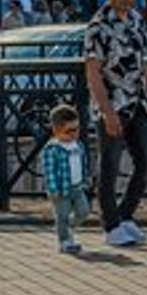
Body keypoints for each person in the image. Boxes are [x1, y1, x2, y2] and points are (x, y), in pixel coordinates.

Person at [83, 0, 147, 247]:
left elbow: (143, 62)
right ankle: (111, 225)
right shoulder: (98, 26)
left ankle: (126, 216)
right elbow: (93, 73)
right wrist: (107, 111)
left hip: (137, 101)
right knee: (110, 164)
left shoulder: (136, 20)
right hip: (112, 103)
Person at [41, 104, 91, 255]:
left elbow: (83, 163)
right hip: (61, 190)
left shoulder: (78, 145)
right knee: (62, 215)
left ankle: (68, 227)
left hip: (77, 187)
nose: (74, 134)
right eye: (69, 131)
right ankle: (65, 241)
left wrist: (86, 179)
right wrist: (53, 190)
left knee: (84, 212)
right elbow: (49, 171)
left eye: (77, 129)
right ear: (56, 131)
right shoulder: (52, 149)